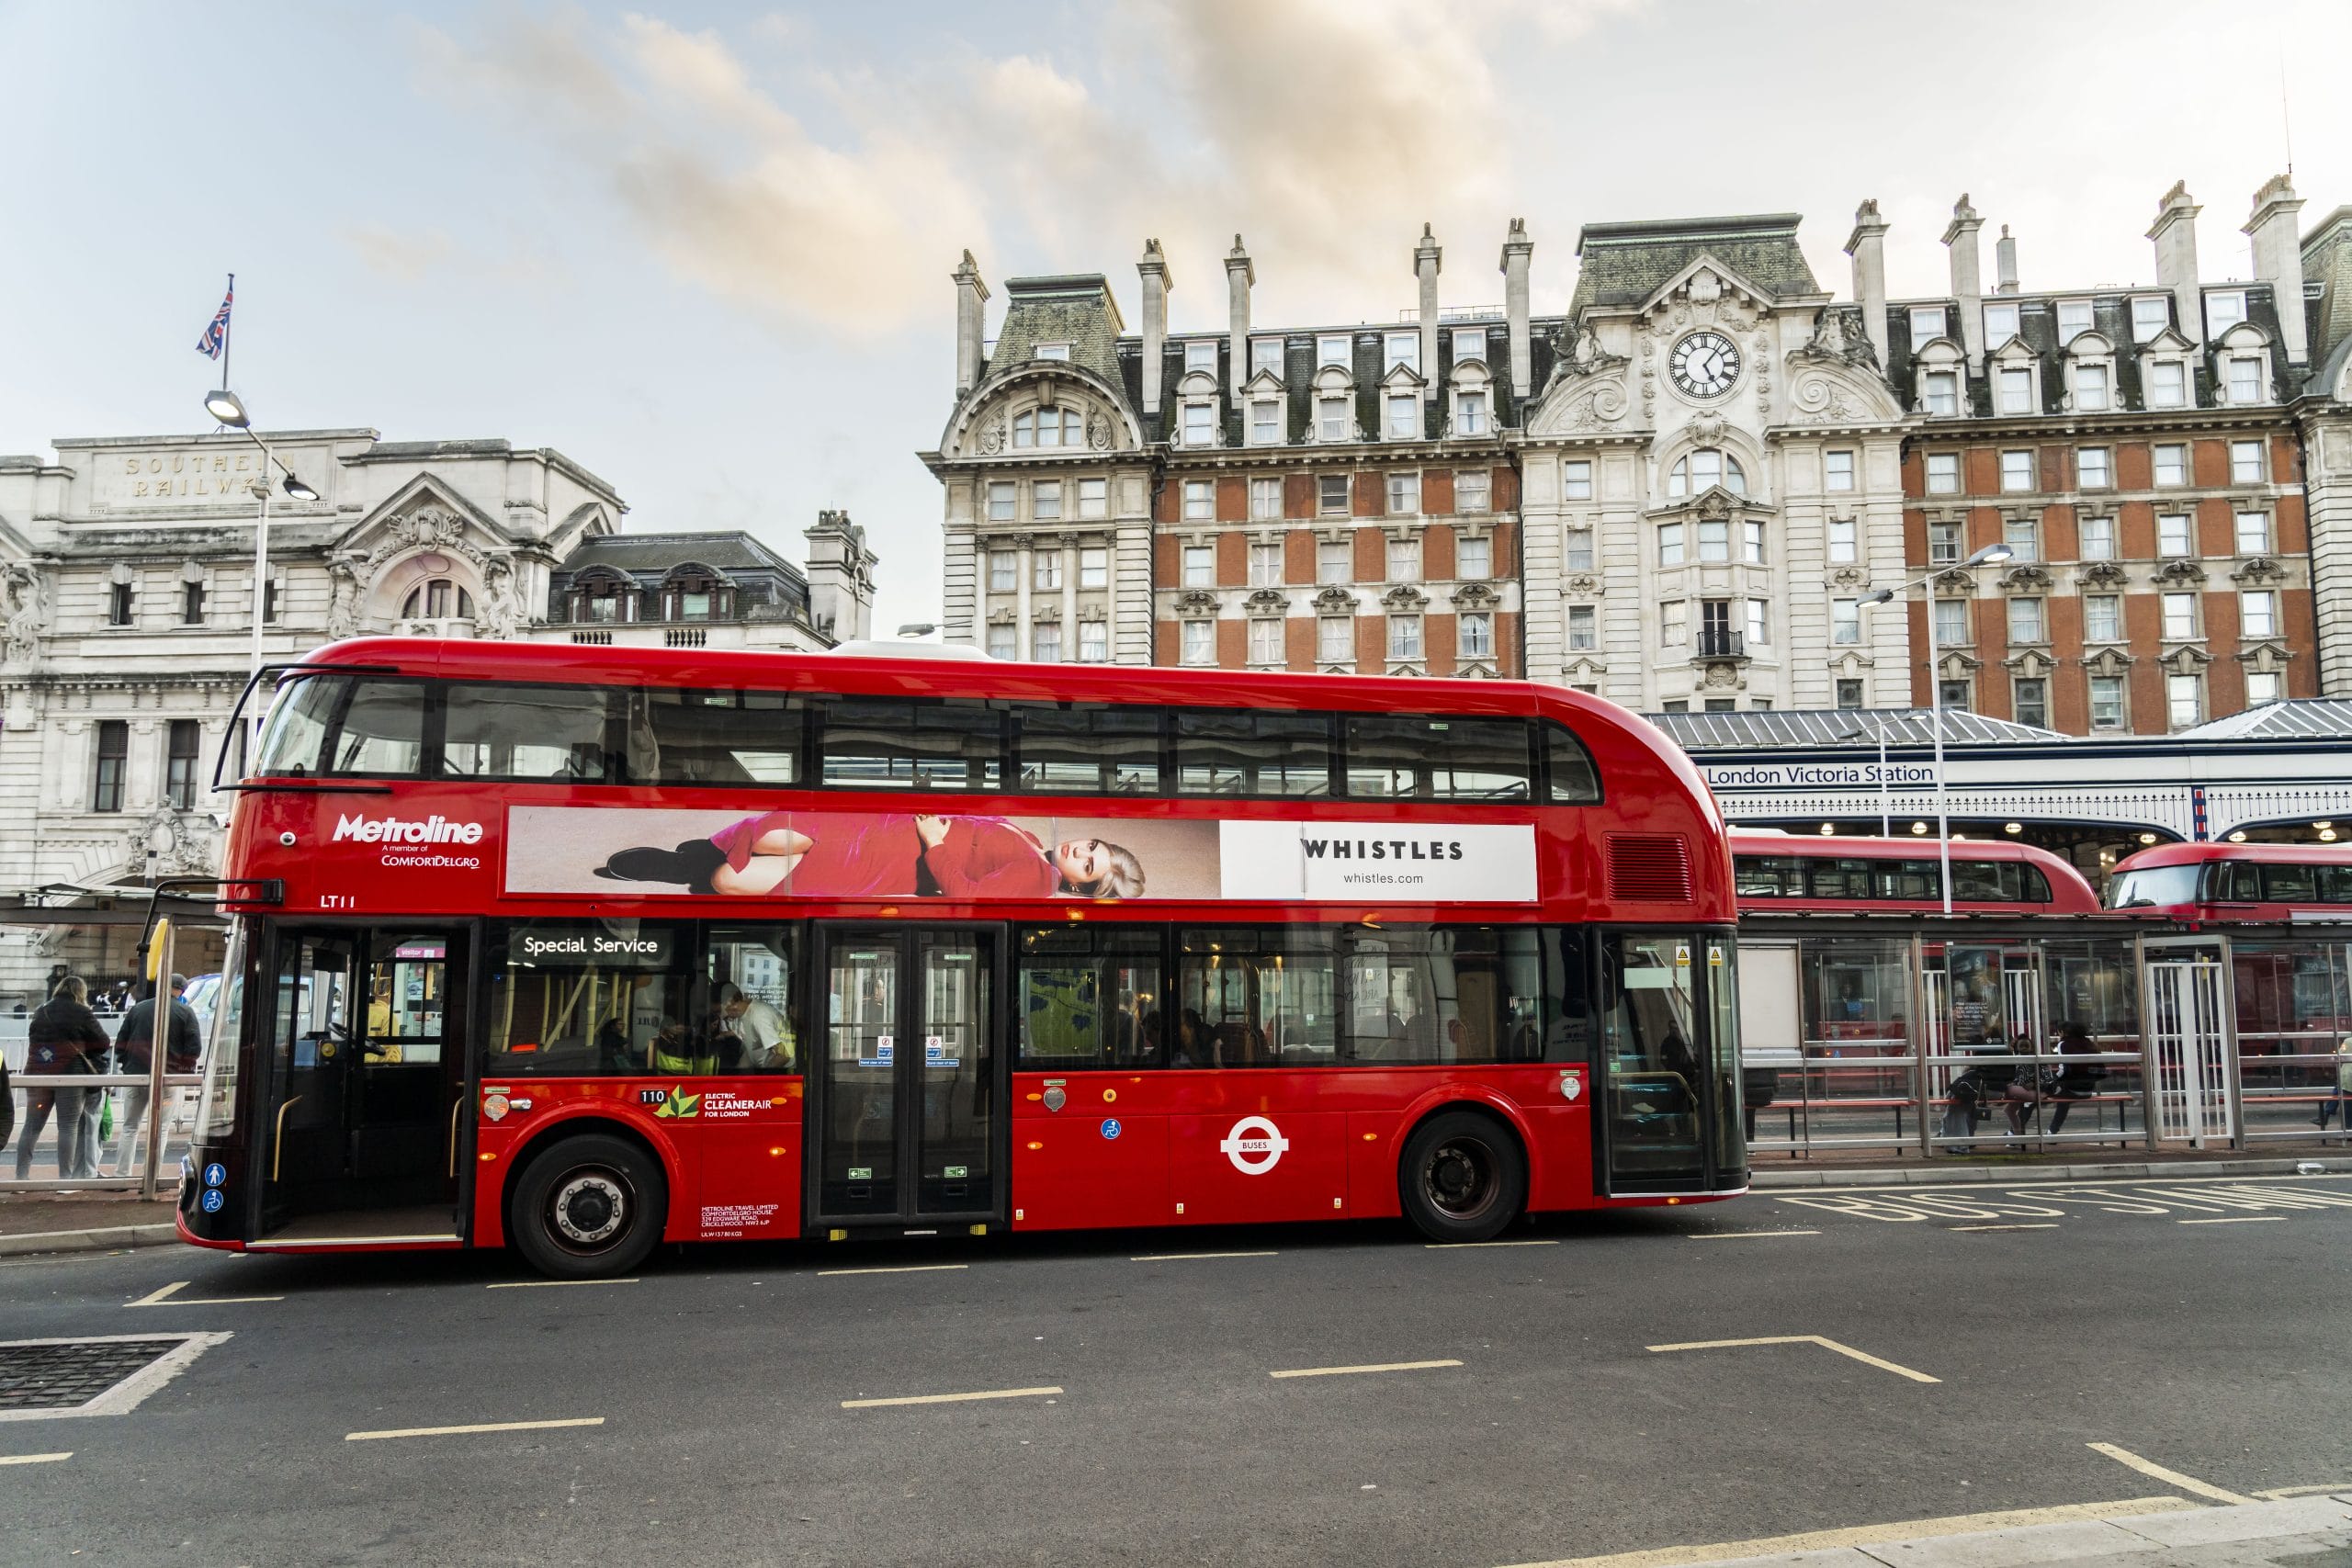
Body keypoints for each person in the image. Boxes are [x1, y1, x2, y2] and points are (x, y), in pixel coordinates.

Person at [594, 811, 1145, 901]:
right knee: (775, 832)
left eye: (1088, 864)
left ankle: (682, 865)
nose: (1080, 850)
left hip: (889, 860)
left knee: (733, 880)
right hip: (881, 831)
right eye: (1092, 845)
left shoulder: (1038, 880)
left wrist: (936, 845)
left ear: (1081, 885)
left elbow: (966, 893)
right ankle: (690, 857)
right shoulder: (1037, 844)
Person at [107, 975, 203, 1179]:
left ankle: (122, 1174)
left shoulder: (139, 1008)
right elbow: (194, 1047)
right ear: (181, 990)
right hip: (169, 1077)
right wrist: (183, 1071)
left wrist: (127, 1064)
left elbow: (121, 1041)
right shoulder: (185, 1011)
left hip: (136, 1075)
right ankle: (152, 1175)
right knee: (162, 1129)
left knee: (130, 1126)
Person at [17, 976, 110, 1180]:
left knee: (32, 1126)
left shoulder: (42, 1010)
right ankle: (65, 1180)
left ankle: (21, 1178)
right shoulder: (82, 1012)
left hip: (38, 1073)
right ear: (81, 992)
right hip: (70, 1074)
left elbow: (34, 1038)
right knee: (68, 1126)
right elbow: (103, 1042)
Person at [714, 982, 792, 1071]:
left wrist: (763, 1079)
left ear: (729, 1002)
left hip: (781, 1074)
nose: (721, 1017)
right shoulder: (745, 1015)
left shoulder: (759, 1017)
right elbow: (752, 1050)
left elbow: (784, 1055)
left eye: (719, 1011)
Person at [2045, 1021, 2104, 1134]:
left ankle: (2015, 1132)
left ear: (2063, 1032)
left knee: (2034, 1098)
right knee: (2063, 1101)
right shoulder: (2089, 1043)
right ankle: (2051, 1131)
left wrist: (2051, 1081)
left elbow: (2063, 1069)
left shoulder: (2063, 1044)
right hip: (2088, 1089)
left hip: (2073, 1089)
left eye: (2058, 1032)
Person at [2317, 1035, 2352, 1132]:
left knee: (2347, 1105)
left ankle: (2347, 1129)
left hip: (2348, 1076)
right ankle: (2325, 1115)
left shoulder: (2348, 1041)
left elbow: (2339, 1054)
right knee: (2339, 1089)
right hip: (2346, 1080)